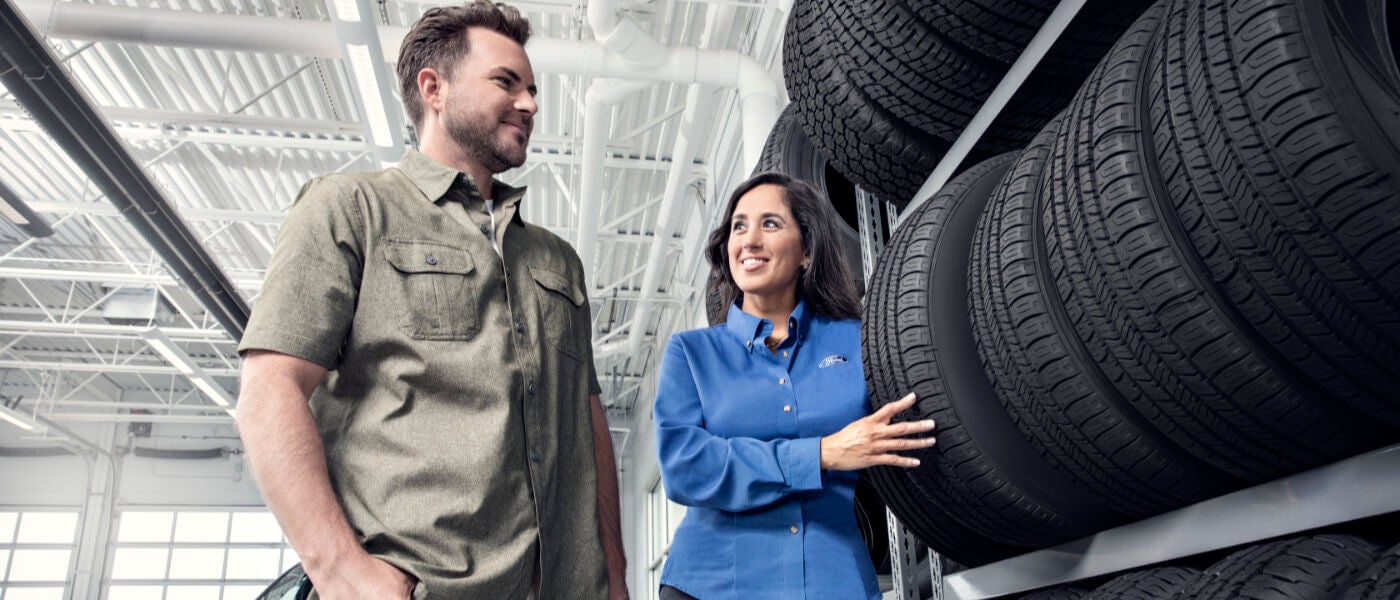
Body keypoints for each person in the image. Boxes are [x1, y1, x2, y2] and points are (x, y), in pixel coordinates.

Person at [234, 2, 627, 598]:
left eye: (533, 89)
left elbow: (587, 421)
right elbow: (270, 392)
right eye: (506, 82)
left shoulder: (554, 259)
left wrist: (615, 578)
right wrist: (341, 571)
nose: (530, 103)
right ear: (433, 88)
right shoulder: (352, 208)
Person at [652, 172, 938, 599]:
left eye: (770, 223)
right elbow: (685, 468)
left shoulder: (858, 340)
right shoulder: (692, 354)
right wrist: (821, 454)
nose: (748, 240)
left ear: (806, 249)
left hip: (831, 581)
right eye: (738, 226)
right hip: (711, 586)